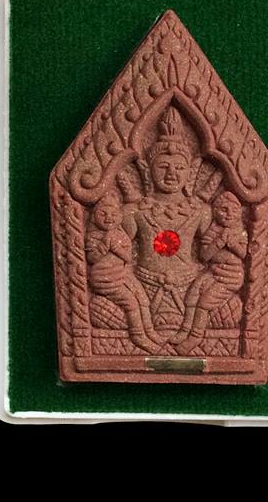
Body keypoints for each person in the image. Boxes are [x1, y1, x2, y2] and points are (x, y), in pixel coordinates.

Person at [121, 107, 244, 338]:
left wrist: (228, 269)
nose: (171, 173)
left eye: (179, 168)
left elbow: (212, 253)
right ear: (147, 171)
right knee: (101, 309)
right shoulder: (134, 211)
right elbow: (121, 254)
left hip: (190, 287)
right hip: (145, 288)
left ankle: (193, 333)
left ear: (190, 172)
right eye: (163, 166)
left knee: (233, 310)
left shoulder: (201, 212)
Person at [171, 190, 247, 354]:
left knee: (204, 302)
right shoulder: (212, 232)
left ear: (240, 212)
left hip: (231, 276)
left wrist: (232, 243)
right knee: (192, 294)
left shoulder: (239, 232)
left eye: (234, 210)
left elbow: (243, 254)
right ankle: (185, 330)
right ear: (215, 211)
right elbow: (204, 256)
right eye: (224, 209)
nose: (229, 214)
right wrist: (219, 242)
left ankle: (195, 337)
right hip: (213, 272)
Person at [86, 194, 162, 352]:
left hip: (123, 274)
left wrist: (116, 247)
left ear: (120, 217)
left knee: (142, 298)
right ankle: (138, 336)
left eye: (113, 214)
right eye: (103, 214)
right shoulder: (93, 236)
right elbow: (92, 258)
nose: (108, 218)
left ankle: (149, 331)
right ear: (94, 217)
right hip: (104, 279)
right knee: (131, 303)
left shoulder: (121, 236)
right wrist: (104, 245)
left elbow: (128, 257)